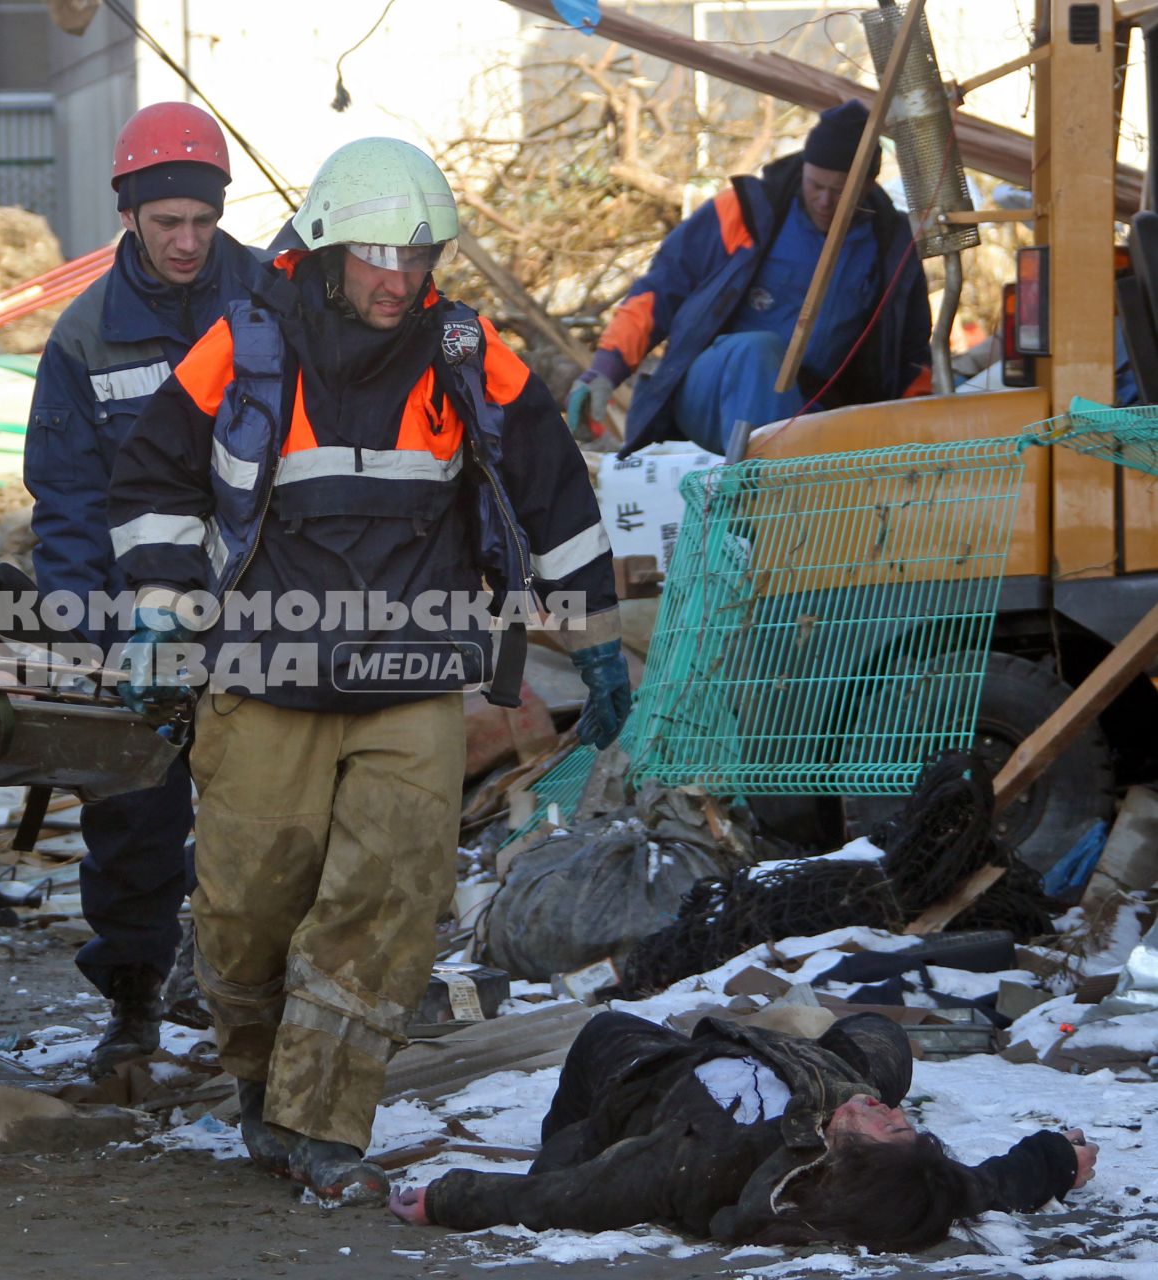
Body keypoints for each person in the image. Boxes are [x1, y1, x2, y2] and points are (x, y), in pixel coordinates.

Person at [107, 136, 630, 1206]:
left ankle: (322, 1119)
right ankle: (262, 1082)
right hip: (267, 664)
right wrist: (160, 615)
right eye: (381, 253)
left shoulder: (466, 353)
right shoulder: (248, 346)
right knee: (249, 904)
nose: (401, 277)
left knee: (388, 897)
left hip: (415, 671)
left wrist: (598, 637)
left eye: (422, 253)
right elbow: (154, 475)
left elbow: (555, 494)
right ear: (331, 245)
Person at [24, 102, 259, 1079]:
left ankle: (259, 1005)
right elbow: (67, 505)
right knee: (131, 822)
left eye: (203, 222)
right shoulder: (85, 340)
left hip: (266, 618)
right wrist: (86, 641)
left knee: (269, 818)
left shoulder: (274, 303)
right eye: (168, 223)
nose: (188, 241)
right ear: (129, 214)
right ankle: (133, 1002)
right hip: (140, 623)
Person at [391, 1011, 1098, 1250]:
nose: (895, 1114)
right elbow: (988, 1185)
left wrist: (445, 1200)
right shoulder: (905, 1176)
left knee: (604, 1033)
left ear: (842, 1162)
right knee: (881, 1036)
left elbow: (555, 1200)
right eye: (898, 1118)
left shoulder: (699, 1161)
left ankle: (584, 1119)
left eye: (885, 1126)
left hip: (657, 1080)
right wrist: (1058, 1159)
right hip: (795, 1067)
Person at [568, 101, 932, 455]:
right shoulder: (747, 212)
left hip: (806, 409)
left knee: (824, 428)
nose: (824, 200)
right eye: (815, 185)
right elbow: (660, 290)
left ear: (868, 185)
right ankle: (763, 498)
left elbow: (912, 353)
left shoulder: (891, 249)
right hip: (712, 388)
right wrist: (605, 369)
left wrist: (923, 433)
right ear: (804, 168)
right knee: (758, 352)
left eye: (840, 191)